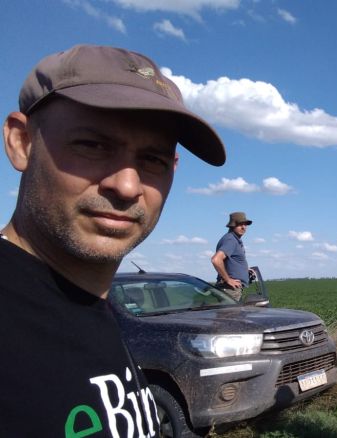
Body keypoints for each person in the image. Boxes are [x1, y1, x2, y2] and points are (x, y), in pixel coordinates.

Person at [0, 44, 225, 437]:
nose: (126, 186)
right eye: (92, 145)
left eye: (152, 159)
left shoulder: (92, 306)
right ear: (22, 142)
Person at [211, 211, 252, 300]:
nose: (244, 227)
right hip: (230, 290)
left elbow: (230, 261)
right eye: (240, 224)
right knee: (231, 314)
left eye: (245, 224)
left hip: (231, 289)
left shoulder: (233, 239)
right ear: (233, 225)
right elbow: (216, 260)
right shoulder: (231, 240)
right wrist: (228, 279)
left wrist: (245, 269)